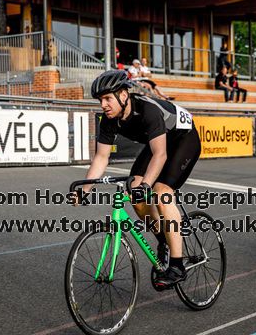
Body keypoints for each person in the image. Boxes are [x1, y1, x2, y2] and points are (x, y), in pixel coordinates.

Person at [81, 70, 201, 288]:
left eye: (108, 98)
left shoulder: (148, 110)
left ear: (124, 95)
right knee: (136, 193)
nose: (103, 105)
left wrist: (147, 185)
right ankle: (164, 239)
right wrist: (85, 188)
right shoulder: (108, 120)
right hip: (159, 143)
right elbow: (101, 157)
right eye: (101, 100)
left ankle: (177, 265)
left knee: (161, 193)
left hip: (184, 140)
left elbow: (161, 155)